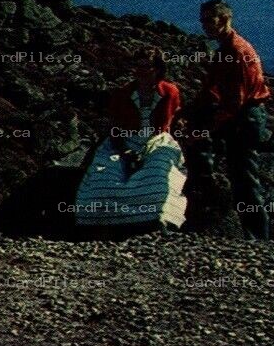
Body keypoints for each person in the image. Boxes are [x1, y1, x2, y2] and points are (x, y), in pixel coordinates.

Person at [72, 48, 188, 233]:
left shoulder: (169, 92)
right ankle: (99, 222)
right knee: (105, 176)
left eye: (146, 66)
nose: (141, 71)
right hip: (124, 140)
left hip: (157, 140)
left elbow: (171, 122)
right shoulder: (122, 93)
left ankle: (157, 219)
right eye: (138, 66)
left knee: (160, 176)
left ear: (157, 69)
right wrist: (124, 150)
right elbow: (115, 126)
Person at [197, 0, 273, 240]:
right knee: (241, 178)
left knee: (246, 181)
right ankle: (253, 235)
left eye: (210, 20)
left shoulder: (235, 52)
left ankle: (259, 238)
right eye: (203, 20)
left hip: (244, 119)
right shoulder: (227, 49)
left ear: (225, 19)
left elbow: (233, 102)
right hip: (242, 117)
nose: (204, 25)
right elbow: (214, 90)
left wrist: (209, 125)